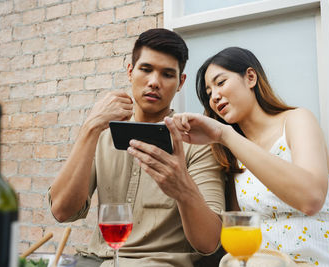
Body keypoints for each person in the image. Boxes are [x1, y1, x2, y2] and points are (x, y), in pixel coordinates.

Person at [171, 47, 329, 266]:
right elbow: (234, 229)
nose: (215, 97)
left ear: (250, 77)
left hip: (320, 259)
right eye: (209, 94)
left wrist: (225, 135)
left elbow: (311, 198)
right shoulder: (232, 155)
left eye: (220, 83)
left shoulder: (297, 120)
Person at [48, 28, 225, 267]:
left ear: (180, 82)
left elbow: (209, 243)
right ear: (130, 72)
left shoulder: (197, 143)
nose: (154, 82)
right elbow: (62, 212)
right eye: (146, 69)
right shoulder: (101, 134)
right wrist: (90, 128)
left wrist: (182, 187)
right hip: (94, 261)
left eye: (167, 74)